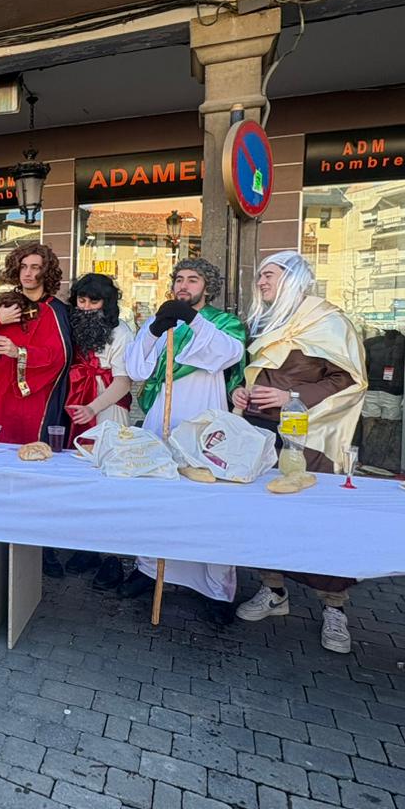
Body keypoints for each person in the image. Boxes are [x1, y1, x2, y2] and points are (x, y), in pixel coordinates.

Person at [232, 250, 368, 653]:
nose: (261, 282)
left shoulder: (329, 321)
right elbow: (259, 376)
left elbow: (351, 381)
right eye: (259, 276)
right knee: (267, 518)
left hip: (313, 439)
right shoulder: (266, 321)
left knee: (321, 521)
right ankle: (273, 591)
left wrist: (292, 396)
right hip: (264, 435)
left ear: (293, 279)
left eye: (269, 275)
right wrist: (240, 393)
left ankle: (335, 608)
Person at [116, 258, 247, 612]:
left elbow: (226, 353)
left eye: (193, 280)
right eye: (179, 279)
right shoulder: (165, 322)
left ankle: (215, 588)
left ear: (208, 286)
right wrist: (155, 330)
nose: (184, 286)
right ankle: (149, 568)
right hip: (162, 417)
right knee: (157, 492)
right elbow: (136, 366)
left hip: (204, 415)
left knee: (207, 499)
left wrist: (193, 320)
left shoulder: (223, 323)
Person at [0, 242, 73, 576]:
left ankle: (41, 548)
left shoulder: (56, 310)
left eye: (36, 267)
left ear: (46, 271)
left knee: (35, 475)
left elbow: (59, 358)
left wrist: (17, 351)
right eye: (23, 267)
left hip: (34, 403)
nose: (29, 273)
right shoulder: (2, 304)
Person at [58, 273, 136, 581]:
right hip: (76, 404)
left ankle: (114, 557)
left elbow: (123, 381)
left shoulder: (122, 333)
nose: (87, 306)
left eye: (94, 301)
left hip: (107, 409)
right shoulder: (73, 327)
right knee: (79, 479)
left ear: (107, 303)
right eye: (82, 300)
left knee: (109, 480)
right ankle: (85, 547)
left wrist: (93, 407)